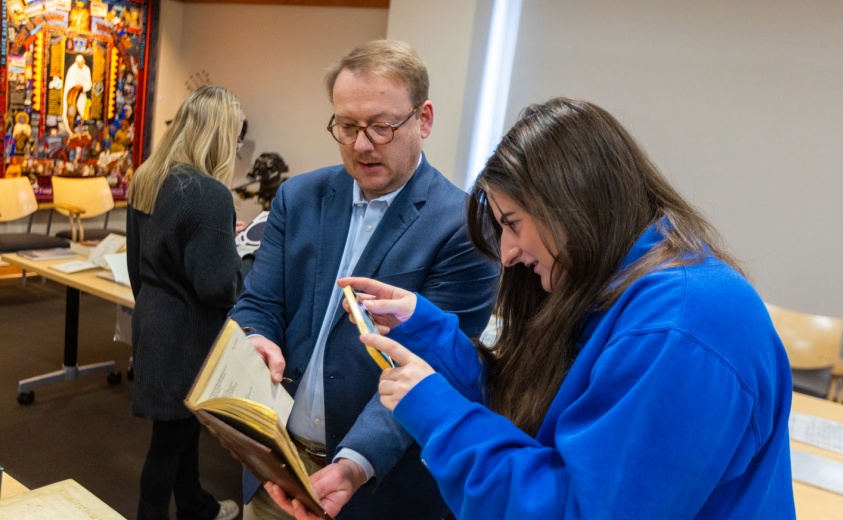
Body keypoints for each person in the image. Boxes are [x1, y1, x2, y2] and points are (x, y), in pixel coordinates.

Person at [288, 97, 797, 519]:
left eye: (513, 223)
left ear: (572, 205)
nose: (507, 253)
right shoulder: (624, 287)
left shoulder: (677, 329)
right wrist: (426, 331)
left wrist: (436, 412)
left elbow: (573, 509)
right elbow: (529, 407)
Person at [229, 40, 500, 520]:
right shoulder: (300, 197)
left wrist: (354, 464)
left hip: (377, 489)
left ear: (425, 119)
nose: (360, 144)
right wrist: (256, 339)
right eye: (347, 126)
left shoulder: (463, 226)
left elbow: (431, 367)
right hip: (278, 470)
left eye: (380, 126)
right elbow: (259, 303)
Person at [126, 85, 245, 520]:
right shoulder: (210, 194)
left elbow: (139, 265)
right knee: (168, 443)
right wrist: (242, 260)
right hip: (188, 334)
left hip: (154, 320)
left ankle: (196, 503)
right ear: (220, 133)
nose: (237, 142)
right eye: (236, 132)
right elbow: (219, 286)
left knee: (180, 428)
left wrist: (217, 244)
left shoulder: (149, 177)